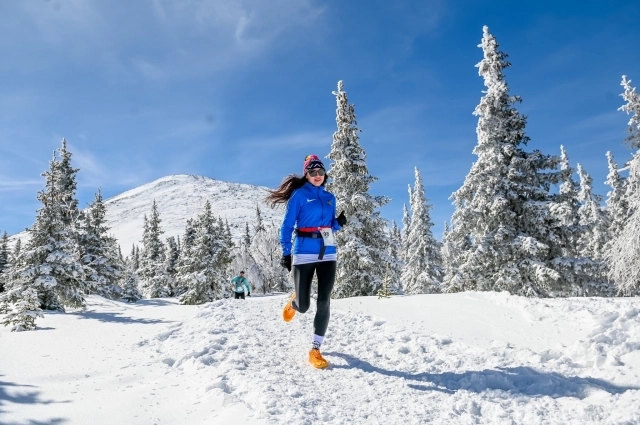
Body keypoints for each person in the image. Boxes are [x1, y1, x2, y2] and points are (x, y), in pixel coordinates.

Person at [266, 154, 347, 369]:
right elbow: (287, 225)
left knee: (324, 300)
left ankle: (315, 349)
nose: (317, 175)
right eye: (313, 172)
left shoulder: (330, 197)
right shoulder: (299, 196)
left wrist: (338, 223)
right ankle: (295, 302)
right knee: (304, 306)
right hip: (304, 251)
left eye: (320, 172)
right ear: (307, 174)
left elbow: (329, 225)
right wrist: (286, 252)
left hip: (328, 252)